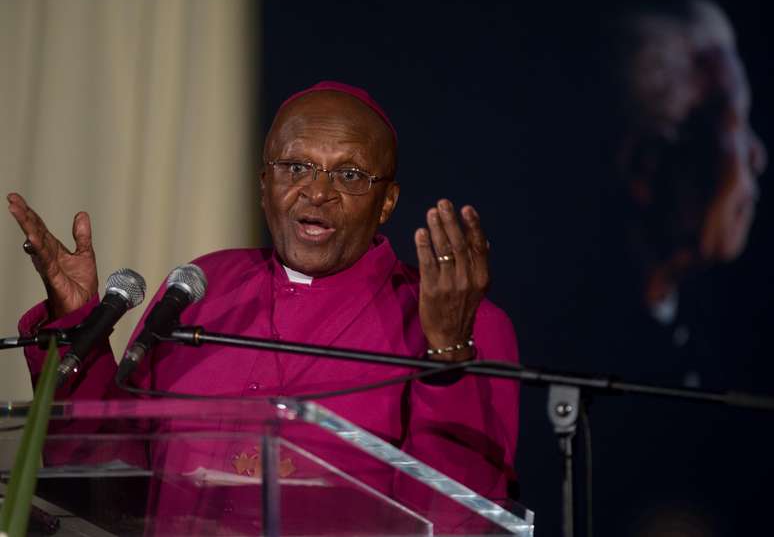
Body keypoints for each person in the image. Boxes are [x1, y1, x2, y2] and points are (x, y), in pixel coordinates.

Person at [7, 81, 520, 532]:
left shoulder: (456, 321)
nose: (317, 192)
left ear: (386, 201)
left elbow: (461, 522)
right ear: (264, 184)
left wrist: (449, 356)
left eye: (350, 175)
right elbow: (109, 478)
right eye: (296, 166)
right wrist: (79, 323)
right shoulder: (203, 286)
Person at [525, 0, 769, 536]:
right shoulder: (558, 338)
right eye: (734, 122)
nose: (757, 155)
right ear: (644, 162)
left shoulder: (722, 331)